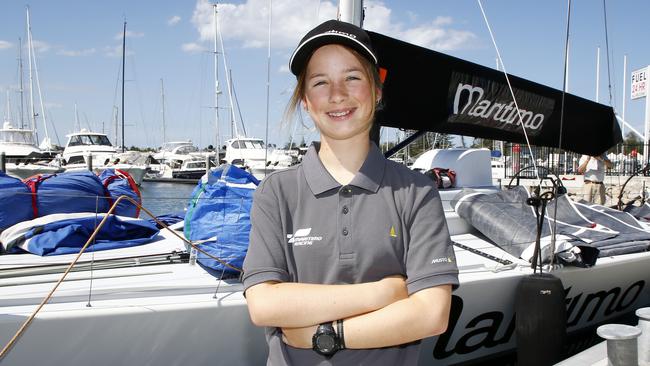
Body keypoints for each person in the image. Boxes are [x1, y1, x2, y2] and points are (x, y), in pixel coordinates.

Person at [242, 19, 458, 365]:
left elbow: (431, 314)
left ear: (377, 91)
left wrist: (324, 334)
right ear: (306, 102)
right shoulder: (276, 192)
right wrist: (384, 291)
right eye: (320, 82)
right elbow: (264, 304)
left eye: (352, 77)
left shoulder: (417, 192)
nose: (337, 94)